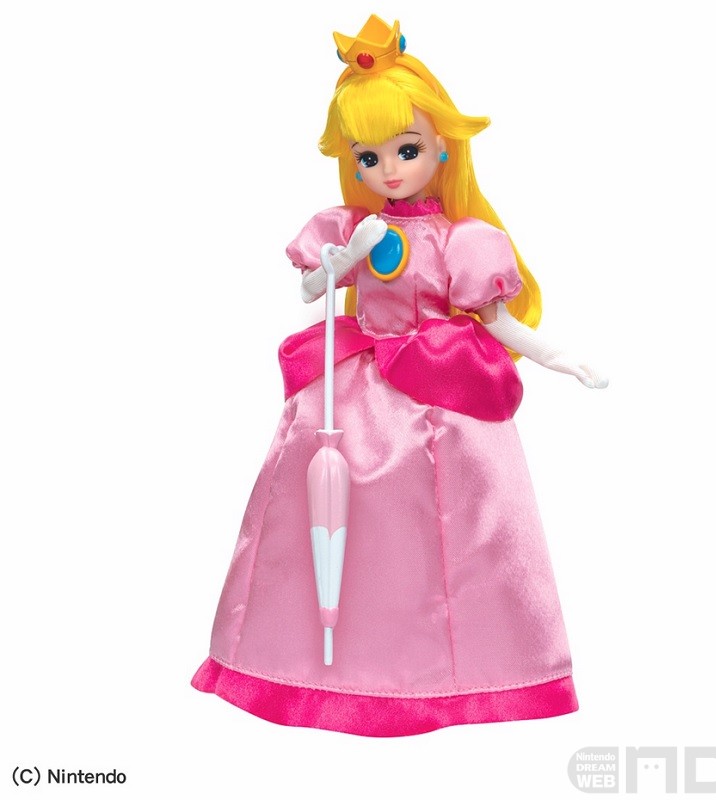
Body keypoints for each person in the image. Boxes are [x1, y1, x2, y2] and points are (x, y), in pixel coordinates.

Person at [191, 14, 607, 737]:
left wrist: (556, 356)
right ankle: (312, 665)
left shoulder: (465, 240)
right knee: (327, 515)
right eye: (369, 156)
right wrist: (346, 258)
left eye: (406, 149)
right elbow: (312, 291)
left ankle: (466, 674)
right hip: (355, 388)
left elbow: (496, 323)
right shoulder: (348, 226)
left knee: (459, 525)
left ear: (441, 147)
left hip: (442, 389)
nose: (389, 169)